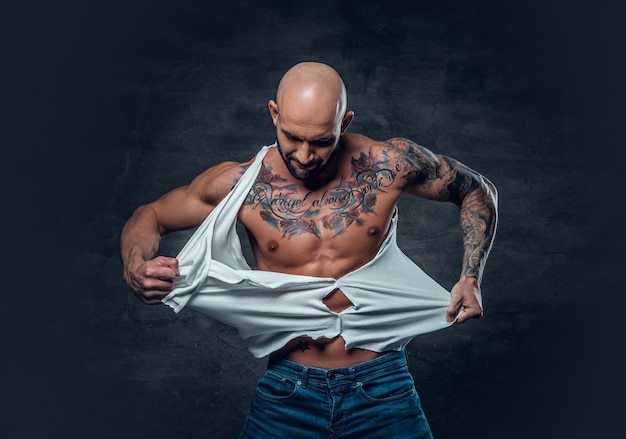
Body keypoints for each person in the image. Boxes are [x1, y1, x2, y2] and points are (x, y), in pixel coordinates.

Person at [120, 61, 498, 438]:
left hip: (383, 387)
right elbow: (150, 215)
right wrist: (134, 263)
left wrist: (470, 277)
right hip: (288, 391)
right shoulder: (243, 184)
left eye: (320, 141)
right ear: (274, 114)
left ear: (344, 123)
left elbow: (478, 189)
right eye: (292, 138)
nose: (303, 155)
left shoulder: (386, 164)